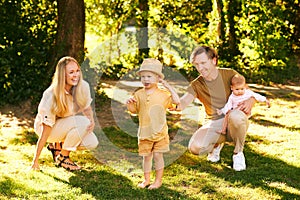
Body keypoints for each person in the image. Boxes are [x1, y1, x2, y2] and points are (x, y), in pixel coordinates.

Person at [180, 46, 258, 171]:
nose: (200, 68)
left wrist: (251, 101)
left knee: (235, 116)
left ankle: (238, 153)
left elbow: (249, 92)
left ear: (214, 60)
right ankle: (216, 144)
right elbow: (182, 102)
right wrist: (167, 101)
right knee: (195, 148)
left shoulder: (230, 74)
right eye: (196, 64)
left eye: (203, 63)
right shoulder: (196, 84)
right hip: (214, 122)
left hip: (235, 119)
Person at [30, 56, 99, 171]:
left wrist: (91, 120)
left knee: (91, 142)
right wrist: (35, 161)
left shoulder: (83, 86)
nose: (76, 75)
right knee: (82, 122)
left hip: (63, 123)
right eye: (71, 72)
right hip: (45, 129)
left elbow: (86, 107)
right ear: (63, 75)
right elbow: (45, 130)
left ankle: (59, 147)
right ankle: (63, 157)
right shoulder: (51, 95)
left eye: (77, 71)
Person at [126, 58, 181, 189]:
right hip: (144, 133)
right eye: (143, 76)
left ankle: (158, 181)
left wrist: (167, 86)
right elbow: (134, 111)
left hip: (160, 132)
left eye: (149, 76)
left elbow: (177, 101)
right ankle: (146, 180)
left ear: (157, 78)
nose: (146, 79)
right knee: (146, 157)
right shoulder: (138, 94)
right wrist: (129, 104)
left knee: (157, 155)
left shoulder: (163, 94)